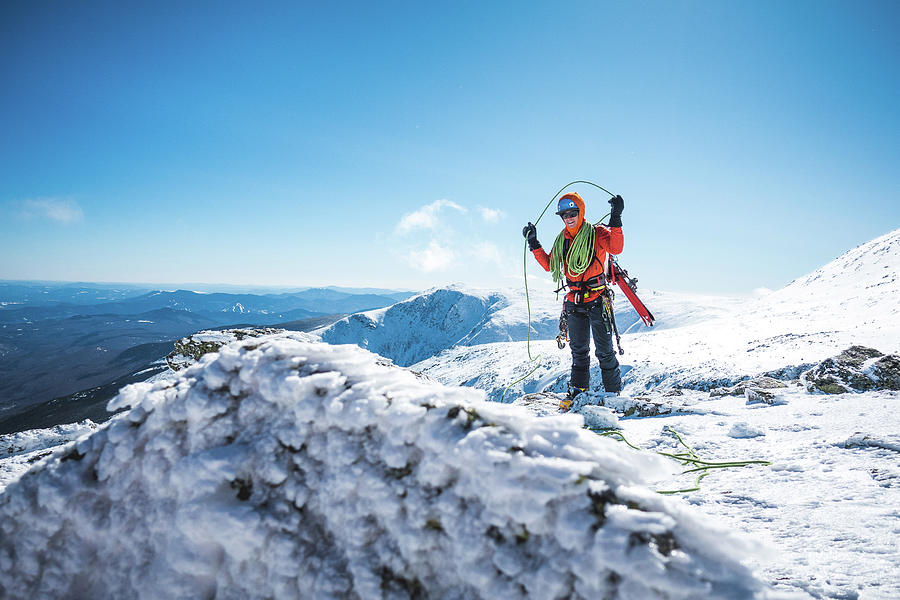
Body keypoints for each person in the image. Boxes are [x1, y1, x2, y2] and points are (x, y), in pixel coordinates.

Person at [522, 192, 625, 410]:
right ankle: (578, 390)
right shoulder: (563, 240)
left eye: (572, 213)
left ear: (580, 212)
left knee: (604, 350)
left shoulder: (597, 233)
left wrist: (616, 218)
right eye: (564, 214)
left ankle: (613, 393)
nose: (568, 218)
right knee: (579, 351)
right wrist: (534, 243)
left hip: (598, 298)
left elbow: (616, 248)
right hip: (575, 300)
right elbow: (551, 265)